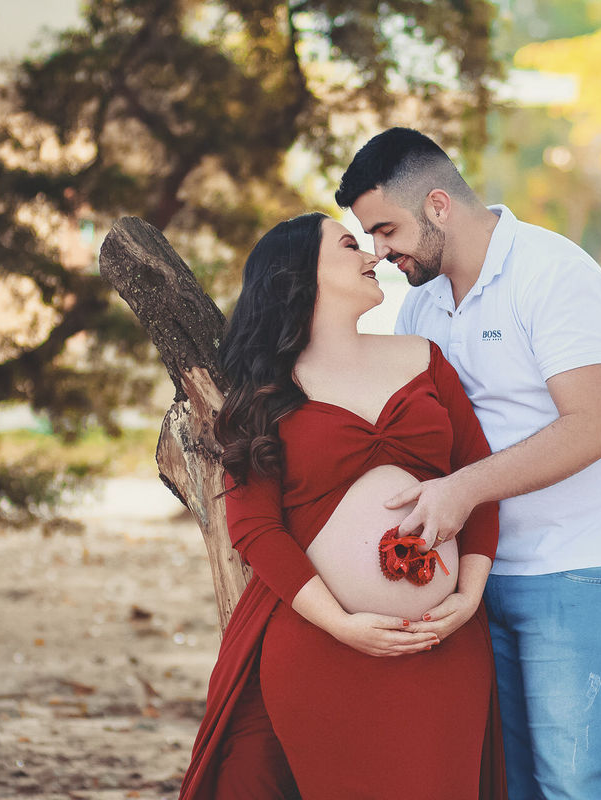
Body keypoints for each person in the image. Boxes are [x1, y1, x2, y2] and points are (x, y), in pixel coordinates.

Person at [336, 127, 601, 800]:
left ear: (437, 205)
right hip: (475, 578)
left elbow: (593, 426)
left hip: (581, 566)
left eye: (386, 230)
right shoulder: (420, 306)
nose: (380, 252)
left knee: (573, 784)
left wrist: (462, 490)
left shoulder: (554, 274)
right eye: (370, 237)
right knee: (507, 785)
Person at [176, 212, 506, 799]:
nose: (374, 255)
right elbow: (254, 526)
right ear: (299, 273)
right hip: (322, 646)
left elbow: (479, 481)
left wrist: (468, 596)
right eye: (351, 244)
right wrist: (342, 625)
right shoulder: (268, 390)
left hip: (442, 644)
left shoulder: (424, 358)